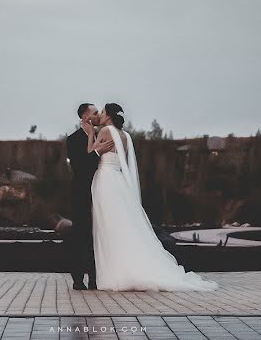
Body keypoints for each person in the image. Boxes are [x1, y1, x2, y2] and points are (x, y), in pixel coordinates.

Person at [91, 103, 218, 291]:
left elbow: (91, 153)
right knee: (124, 223)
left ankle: (115, 270)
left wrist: (90, 131)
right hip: (119, 181)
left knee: (108, 223)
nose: (100, 115)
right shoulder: (126, 136)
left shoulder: (105, 131)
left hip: (105, 178)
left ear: (108, 115)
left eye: (102, 112)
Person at [65, 102, 114, 290]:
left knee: (97, 235)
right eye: (95, 112)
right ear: (85, 117)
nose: (98, 115)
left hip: (101, 191)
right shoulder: (73, 139)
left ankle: (95, 278)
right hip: (81, 193)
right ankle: (78, 279)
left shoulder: (102, 135)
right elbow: (81, 168)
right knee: (80, 235)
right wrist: (97, 151)